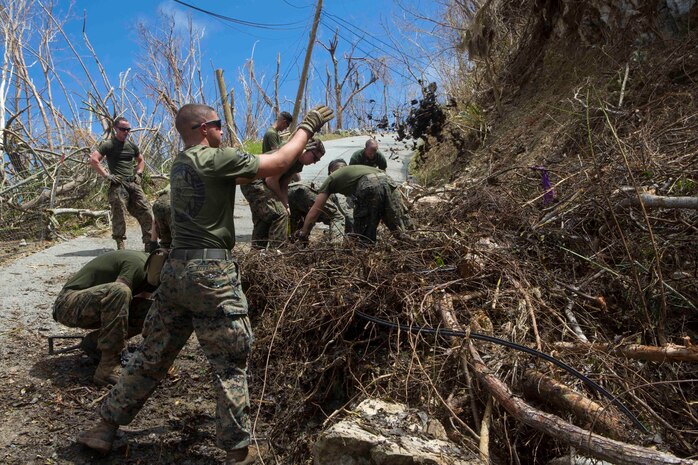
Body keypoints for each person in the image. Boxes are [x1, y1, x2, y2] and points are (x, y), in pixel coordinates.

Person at [77, 103, 334, 464]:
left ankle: (104, 427)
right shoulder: (212, 158)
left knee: (152, 355)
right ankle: (237, 451)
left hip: (175, 273)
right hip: (212, 277)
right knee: (229, 363)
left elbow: (257, 174)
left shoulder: (181, 163)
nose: (221, 132)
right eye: (216, 126)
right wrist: (307, 126)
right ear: (201, 128)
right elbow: (275, 163)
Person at [52, 250, 153, 386]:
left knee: (152, 311)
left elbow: (139, 307)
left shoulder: (153, 276)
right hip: (66, 305)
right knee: (120, 291)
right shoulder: (139, 264)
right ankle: (108, 368)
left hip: (92, 305)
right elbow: (118, 296)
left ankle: (95, 343)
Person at [295, 159, 410, 244]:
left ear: (330, 171)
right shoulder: (357, 170)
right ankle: (414, 251)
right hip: (388, 181)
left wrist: (304, 232)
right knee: (400, 228)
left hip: (369, 185)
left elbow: (315, 210)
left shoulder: (332, 178)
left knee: (365, 239)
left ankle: (368, 269)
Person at [242, 138, 326, 249]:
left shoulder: (298, 162)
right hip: (253, 182)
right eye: (314, 158)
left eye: (317, 160)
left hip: (263, 183)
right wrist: (283, 205)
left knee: (265, 218)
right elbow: (271, 180)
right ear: (306, 149)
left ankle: (256, 255)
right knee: (280, 215)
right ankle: (276, 255)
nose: (314, 162)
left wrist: (286, 204)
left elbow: (284, 183)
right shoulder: (291, 156)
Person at [89, 117, 154, 251]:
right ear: (115, 129)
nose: (126, 132)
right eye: (123, 129)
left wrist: (139, 173)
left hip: (133, 183)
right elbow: (94, 159)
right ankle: (120, 245)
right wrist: (107, 175)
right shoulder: (109, 145)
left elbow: (141, 160)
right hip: (118, 184)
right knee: (119, 213)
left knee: (146, 210)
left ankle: (149, 243)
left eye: (128, 129)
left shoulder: (131, 146)